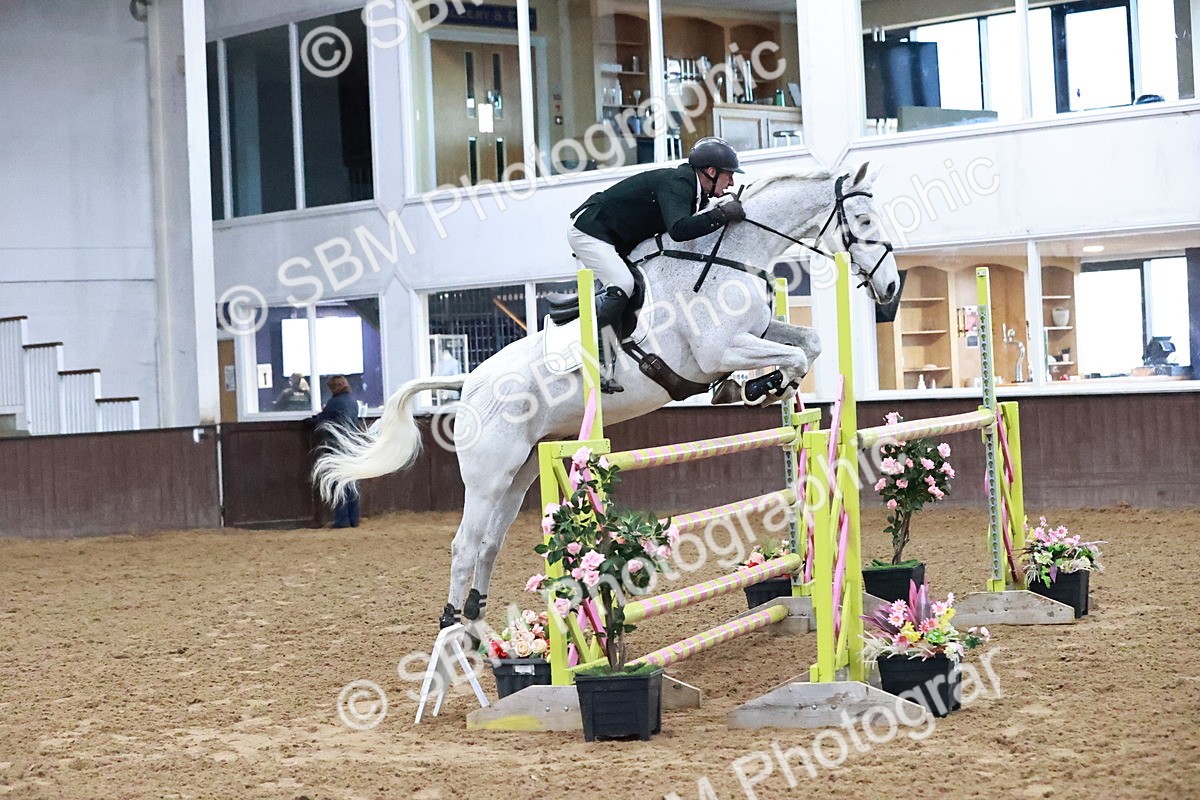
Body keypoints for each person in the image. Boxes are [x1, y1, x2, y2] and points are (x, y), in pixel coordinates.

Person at [567, 137, 747, 392]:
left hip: (619, 238)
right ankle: (600, 364)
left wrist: (720, 212)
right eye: (729, 175)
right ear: (711, 171)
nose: (732, 182)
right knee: (623, 283)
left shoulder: (694, 192)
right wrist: (722, 214)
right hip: (590, 230)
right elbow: (679, 230)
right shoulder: (678, 184)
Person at [306, 375, 361, 528]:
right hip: (351, 443)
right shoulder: (353, 401)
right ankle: (354, 519)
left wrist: (309, 421)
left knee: (337, 483)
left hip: (337, 444)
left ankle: (342, 519)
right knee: (351, 481)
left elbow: (322, 419)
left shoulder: (334, 402)